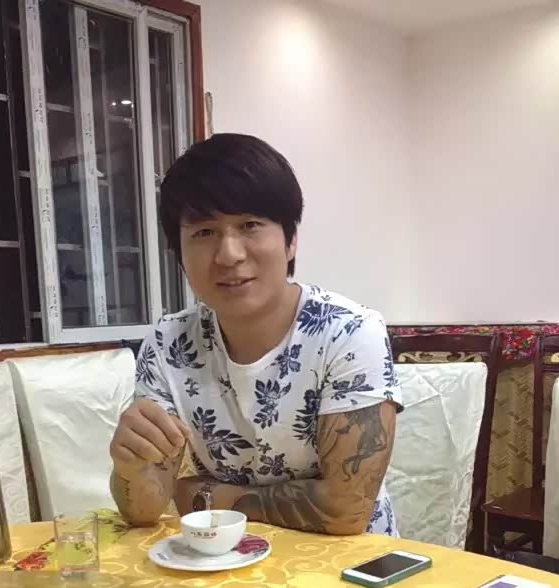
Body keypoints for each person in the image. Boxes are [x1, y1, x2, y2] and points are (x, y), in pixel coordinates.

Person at [110, 133, 401, 536]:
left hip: (349, 562)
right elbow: (145, 509)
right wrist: (129, 467)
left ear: (291, 240)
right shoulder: (169, 343)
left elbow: (345, 510)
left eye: (250, 225)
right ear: (179, 254)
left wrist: (198, 494)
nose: (229, 255)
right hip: (222, 558)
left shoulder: (348, 332)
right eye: (204, 232)